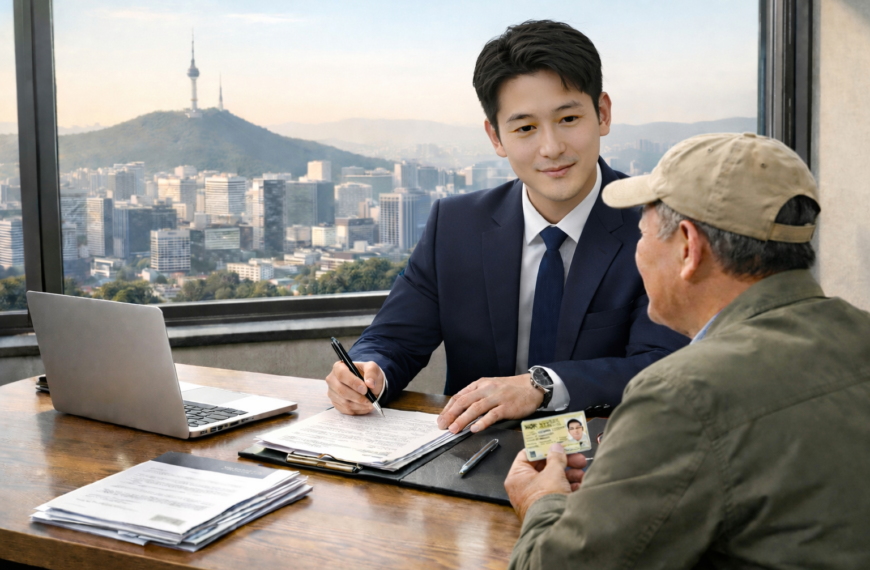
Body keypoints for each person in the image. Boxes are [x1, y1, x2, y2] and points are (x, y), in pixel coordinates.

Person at [504, 132, 870, 569]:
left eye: (641, 234)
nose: (636, 253)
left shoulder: (681, 395)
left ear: (688, 247)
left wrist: (541, 500)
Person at [325, 20, 687, 434]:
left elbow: (662, 367)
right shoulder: (455, 225)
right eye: (525, 128)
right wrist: (368, 373)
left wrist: (543, 386)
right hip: (472, 456)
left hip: (606, 461)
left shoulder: (657, 225)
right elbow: (393, 339)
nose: (551, 148)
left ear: (602, 113)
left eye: (568, 118)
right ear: (496, 137)